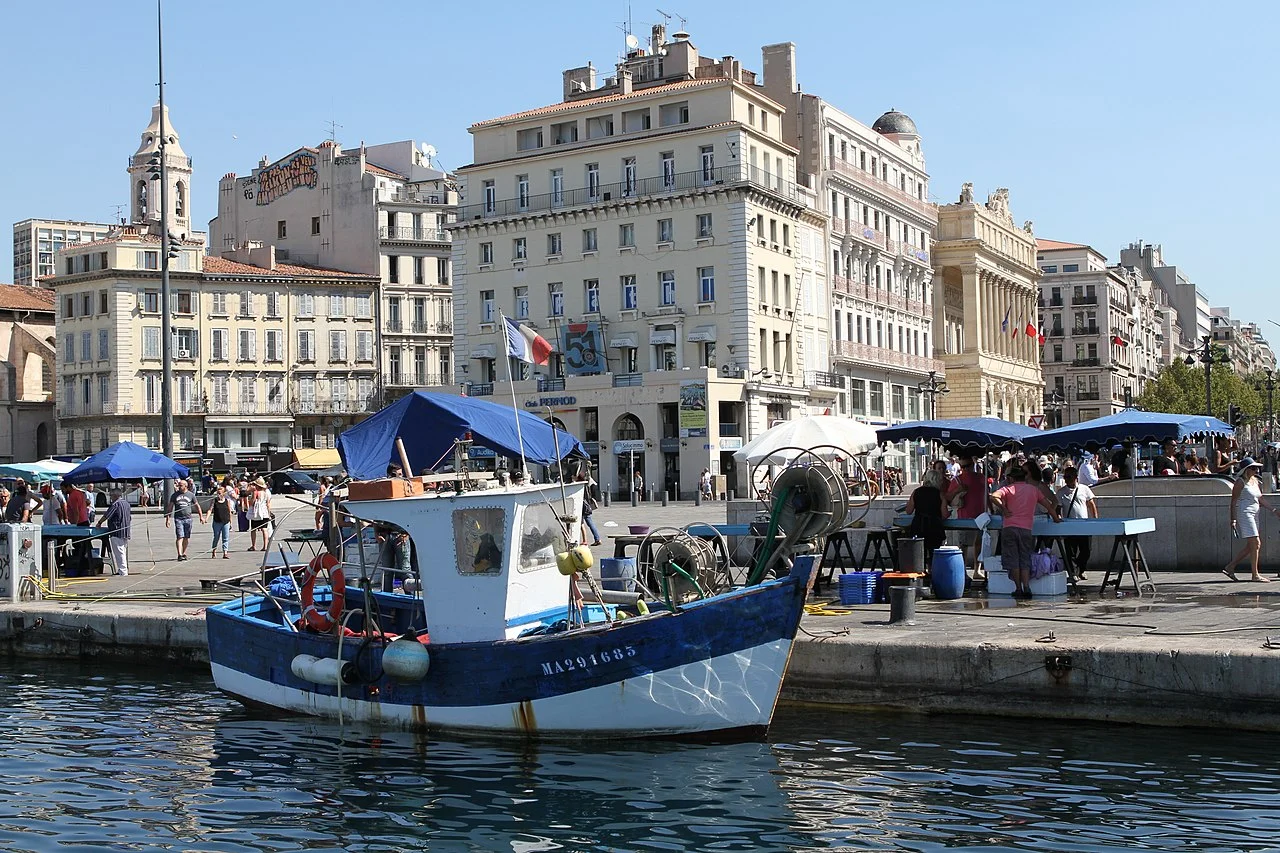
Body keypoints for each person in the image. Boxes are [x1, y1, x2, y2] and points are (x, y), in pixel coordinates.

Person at [988, 466, 1062, 598]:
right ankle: (1027, 587)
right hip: (1026, 529)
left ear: (1011, 478)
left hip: (1009, 528)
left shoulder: (1008, 489)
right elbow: (1049, 505)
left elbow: (993, 496)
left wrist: (1003, 508)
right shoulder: (1034, 490)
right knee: (1025, 557)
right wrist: (1056, 518)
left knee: (1013, 559)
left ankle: (1018, 589)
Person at [1223, 457, 1279, 583]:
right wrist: (1233, 519)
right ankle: (1255, 574)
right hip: (1245, 513)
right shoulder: (1240, 482)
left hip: (1255, 513)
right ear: (1246, 470)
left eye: (1256, 468)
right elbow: (1233, 502)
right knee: (1256, 543)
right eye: (1253, 468)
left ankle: (1230, 566)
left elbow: (1261, 499)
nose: (1256, 470)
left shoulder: (1255, 482)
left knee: (1252, 545)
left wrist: (1274, 511)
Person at [1055, 466, 1098, 581]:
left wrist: (1095, 519)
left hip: (1084, 525)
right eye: (1065, 477)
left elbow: (1091, 504)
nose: (1067, 479)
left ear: (1075, 477)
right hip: (1069, 525)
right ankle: (1073, 573)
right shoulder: (1061, 493)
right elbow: (1058, 508)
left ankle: (1081, 569)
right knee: (1070, 551)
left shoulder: (1084, 489)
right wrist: (1058, 519)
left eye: (1069, 477)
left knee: (1086, 550)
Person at [951, 456, 989, 576]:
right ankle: (963, 570)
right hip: (964, 516)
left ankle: (977, 570)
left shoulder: (982, 478)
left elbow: (987, 495)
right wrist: (957, 491)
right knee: (964, 545)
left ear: (972, 465)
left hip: (981, 515)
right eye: (962, 467)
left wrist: (991, 510)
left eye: (967, 466)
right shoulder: (956, 480)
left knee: (978, 543)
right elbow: (948, 498)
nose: (965, 469)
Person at [905, 469, 947, 568]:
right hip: (934, 526)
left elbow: (908, 511)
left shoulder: (916, 492)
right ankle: (933, 573)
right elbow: (945, 514)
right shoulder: (939, 494)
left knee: (919, 553)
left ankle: (920, 573)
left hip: (919, 525)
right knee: (934, 554)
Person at [165, 479, 205, 561]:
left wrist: (201, 516)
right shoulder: (174, 495)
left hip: (188, 518)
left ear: (185, 486)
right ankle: (179, 554)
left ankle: (184, 553)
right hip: (178, 518)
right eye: (179, 485)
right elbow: (170, 507)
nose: (179, 487)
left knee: (186, 537)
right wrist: (168, 519)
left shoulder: (191, 495)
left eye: (181, 485)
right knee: (180, 536)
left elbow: (197, 505)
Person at [101, 488, 132, 576]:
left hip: (116, 531)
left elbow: (107, 515)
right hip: (126, 531)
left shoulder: (115, 504)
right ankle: (123, 569)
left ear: (115, 495)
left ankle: (123, 571)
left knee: (119, 551)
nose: (110, 497)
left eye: (111, 495)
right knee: (123, 550)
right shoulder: (126, 503)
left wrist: (99, 523)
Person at [208, 485, 235, 559]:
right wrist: (206, 518)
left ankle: (225, 552)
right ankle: (214, 551)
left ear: (224, 493)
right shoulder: (214, 500)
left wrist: (231, 523)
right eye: (218, 493)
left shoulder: (227, 501)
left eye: (220, 493)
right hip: (217, 521)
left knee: (225, 537)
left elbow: (229, 512)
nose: (218, 495)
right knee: (216, 537)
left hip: (226, 521)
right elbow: (210, 510)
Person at [577, 469, 602, 546]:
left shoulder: (580, 486)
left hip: (583, 506)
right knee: (590, 523)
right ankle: (597, 538)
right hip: (587, 506)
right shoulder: (587, 484)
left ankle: (587, 540)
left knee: (582, 523)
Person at [248, 476, 273, 550]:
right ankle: (265, 546)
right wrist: (268, 513)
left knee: (253, 529)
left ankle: (253, 545)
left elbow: (252, 502)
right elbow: (268, 504)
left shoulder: (256, 492)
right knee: (264, 529)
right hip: (264, 512)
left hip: (256, 512)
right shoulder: (266, 492)